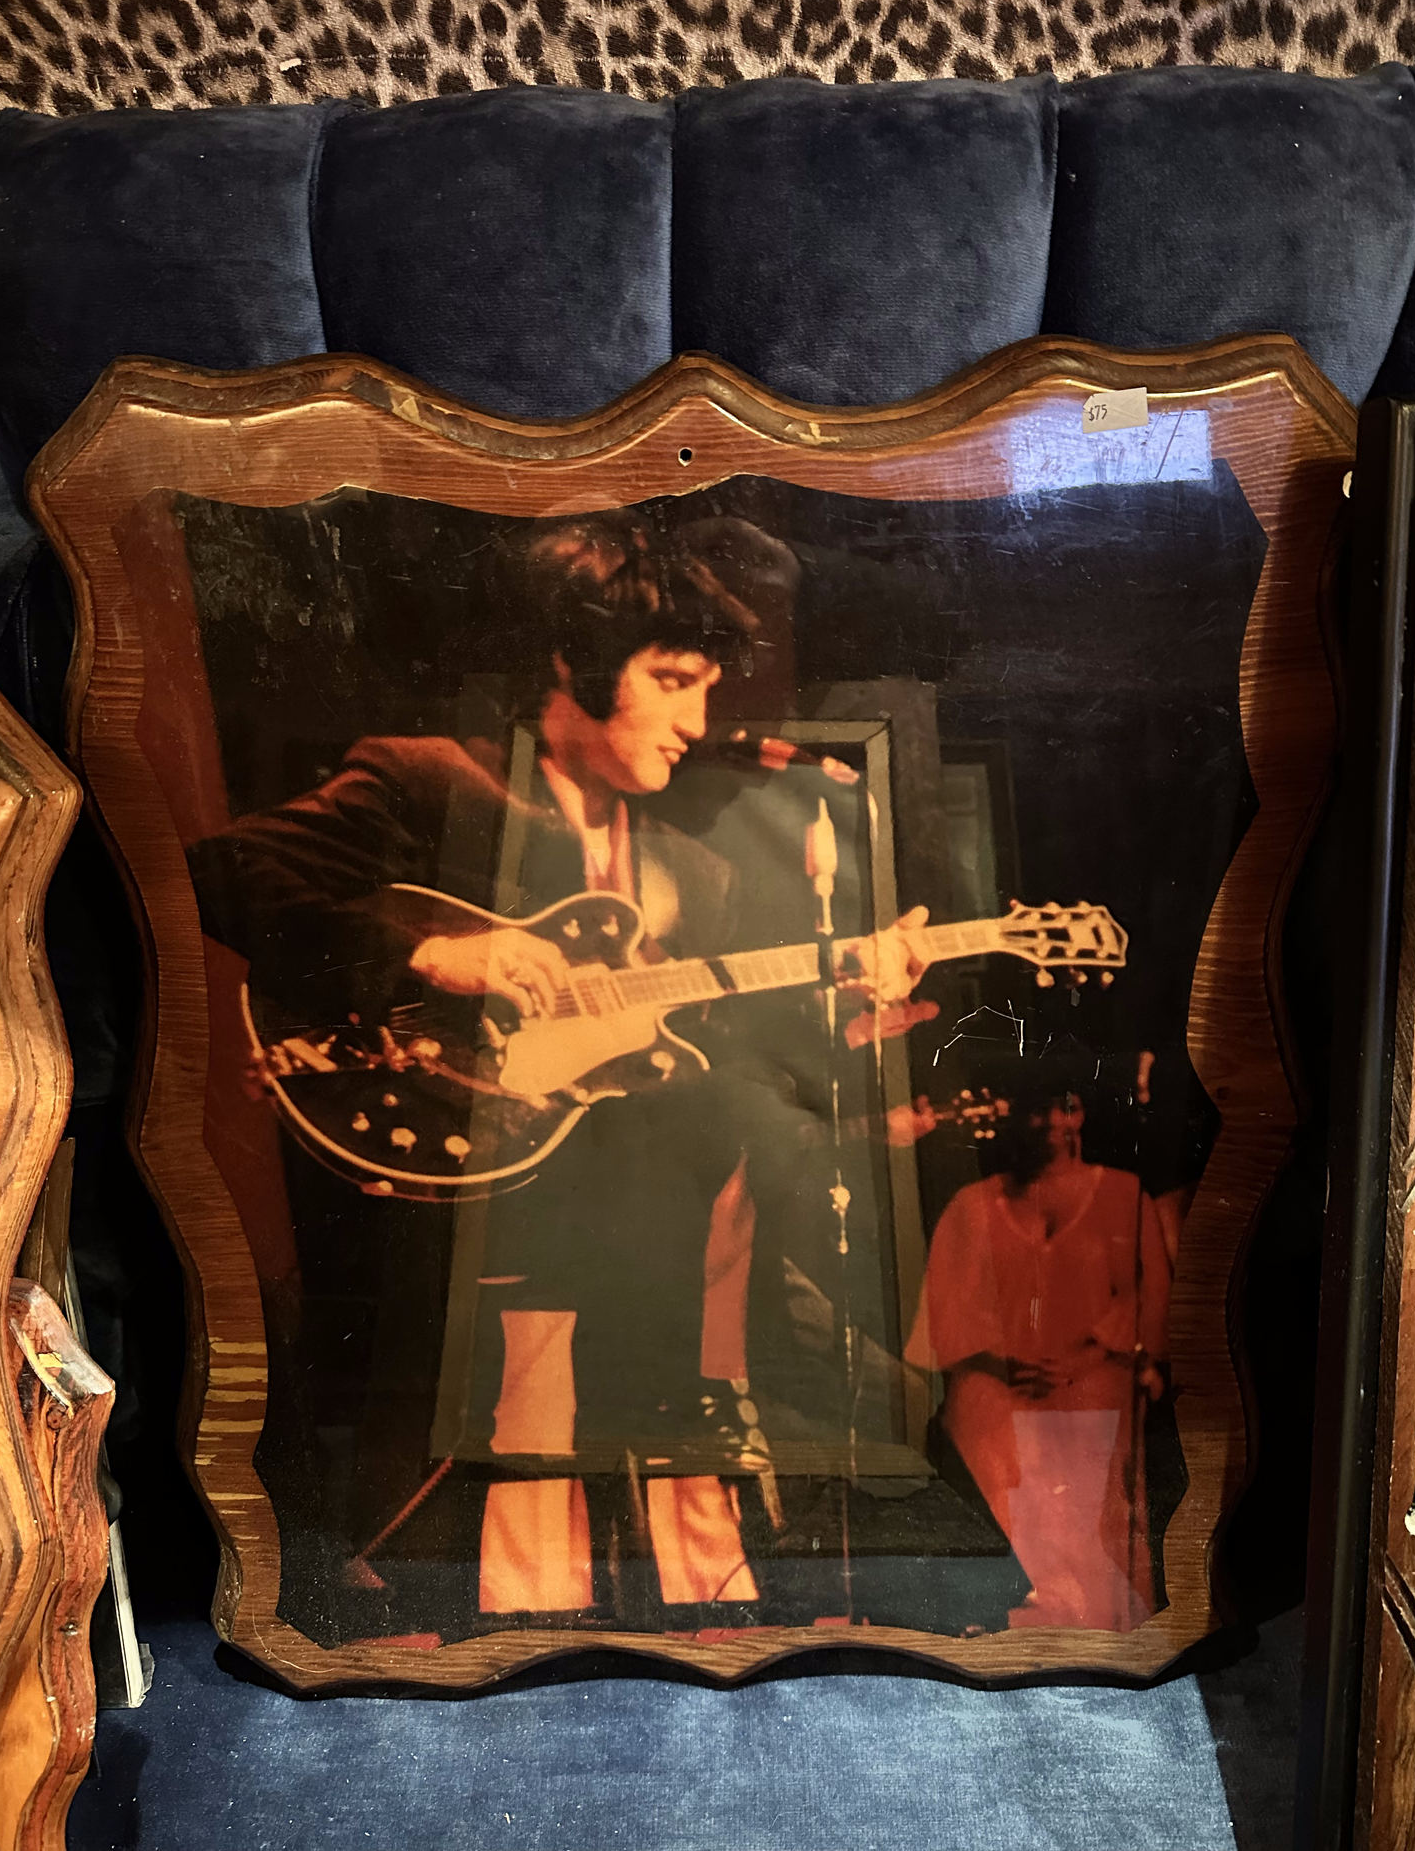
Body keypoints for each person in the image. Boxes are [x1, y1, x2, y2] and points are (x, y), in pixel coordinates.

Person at [190, 509, 934, 1625]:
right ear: (577, 658)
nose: (695, 718)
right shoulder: (431, 779)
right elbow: (226, 872)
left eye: (704, 686)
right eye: (672, 679)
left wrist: (838, 1021)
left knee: (644, 1543)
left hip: (641, 1266)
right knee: (470, 1540)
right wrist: (431, 948)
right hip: (464, 1203)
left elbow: (698, 1055)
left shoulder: (694, 869)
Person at [906, 1075, 1176, 1631]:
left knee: (1100, 1410)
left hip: (1097, 1381)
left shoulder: (1126, 1198)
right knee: (980, 1410)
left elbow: (1151, 1316)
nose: (1052, 1123)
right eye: (1038, 1110)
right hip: (1004, 1387)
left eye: (1066, 1108)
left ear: (1083, 1116)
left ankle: (1098, 1622)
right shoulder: (974, 1206)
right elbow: (945, 1324)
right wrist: (996, 1361)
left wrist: (1096, 1357)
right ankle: (1011, 1615)